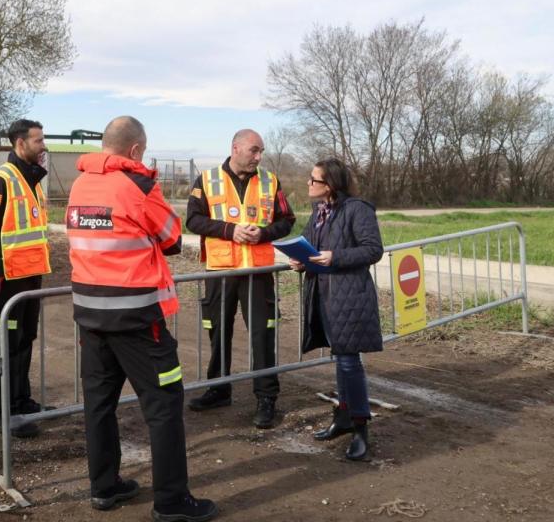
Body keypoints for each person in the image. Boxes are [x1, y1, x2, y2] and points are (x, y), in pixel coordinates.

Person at [67, 116, 217, 521]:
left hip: (90, 314)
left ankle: (104, 487)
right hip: (137, 319)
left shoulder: (80, 184)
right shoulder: (138, 185)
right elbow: (170, 237)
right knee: (165, 405)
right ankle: (171, 501)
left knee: (99, 405)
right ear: (135, 150)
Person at [185, 129, 295, 428]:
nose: (258, 157)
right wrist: (229, 230)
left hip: (258, 272)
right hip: (222, 270)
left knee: (262, 334)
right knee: (218, 331)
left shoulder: (270, 181)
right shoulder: (206, 181)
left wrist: (264, 233)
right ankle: (219, 389)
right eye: (254, 151)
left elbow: (287, 220)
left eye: (261, 152)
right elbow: (193, 220)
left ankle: (266, 397)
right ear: (236, 148)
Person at [289, 158, 383, 461]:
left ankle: (360, 427)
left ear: (330, 184)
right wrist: (299, 261)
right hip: (322, 295)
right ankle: (343, 418)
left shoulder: (358, 209)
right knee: (340, 358)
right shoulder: (318, 212)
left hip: (349, 296)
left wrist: (335, 257)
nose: (308, 184)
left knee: (348, 362)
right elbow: (308, 246)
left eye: (314, 180)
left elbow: (373, 249)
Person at [0, 119, 52, 438]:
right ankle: (6, 412)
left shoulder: (30, 178)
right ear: (20, 144)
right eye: (38, 140)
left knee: (25, 339)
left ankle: (22, 399)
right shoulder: (2, 180)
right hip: (9, 279)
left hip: (30, 277)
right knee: (5, 344)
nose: (43, 145)